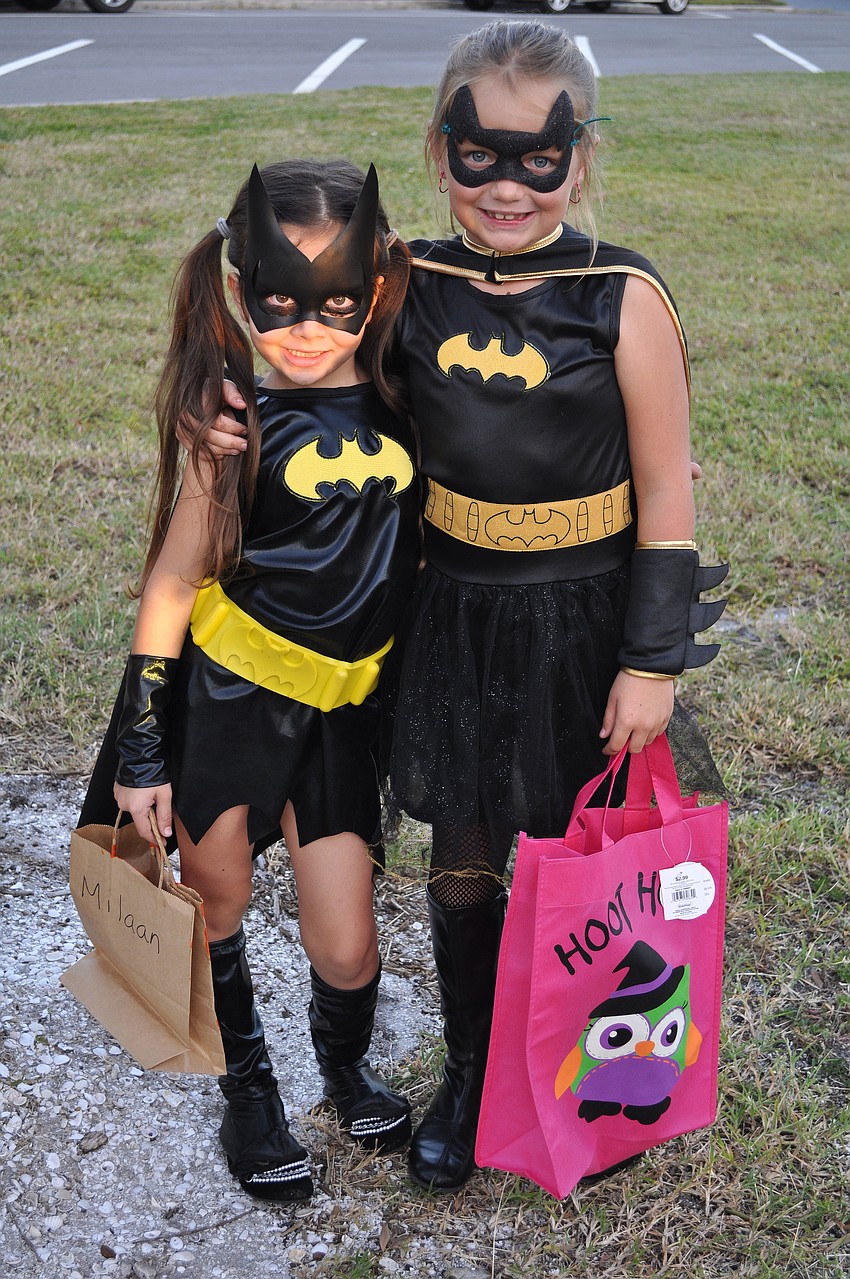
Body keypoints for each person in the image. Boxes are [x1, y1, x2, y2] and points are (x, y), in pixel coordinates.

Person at [198, 20, 727, 1194]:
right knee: (466, 853)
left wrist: (651, 660)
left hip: (585, 620)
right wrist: (222, 410)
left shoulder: (621, 296)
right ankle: (477, 1068)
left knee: (569, 844)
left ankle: (581, 1062)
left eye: (536, 160)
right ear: (439, 155)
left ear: (577, 161)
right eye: (476, 156)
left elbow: (669, 496)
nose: (504, 188)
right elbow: (306, 337)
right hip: (454, 613)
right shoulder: (410, 287)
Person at [81, 159, 421, 1203]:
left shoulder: (412, 391)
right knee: (216, 903)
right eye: (281, 305)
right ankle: (251, 1094)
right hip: (225, 708)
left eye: (337, 305)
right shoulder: (235, 420)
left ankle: (345, 1062)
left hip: (340, 715)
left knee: (348, 941)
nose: (310, 331)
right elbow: (174, 581)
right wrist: (143, 746)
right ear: (238, 287)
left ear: (377, 285)